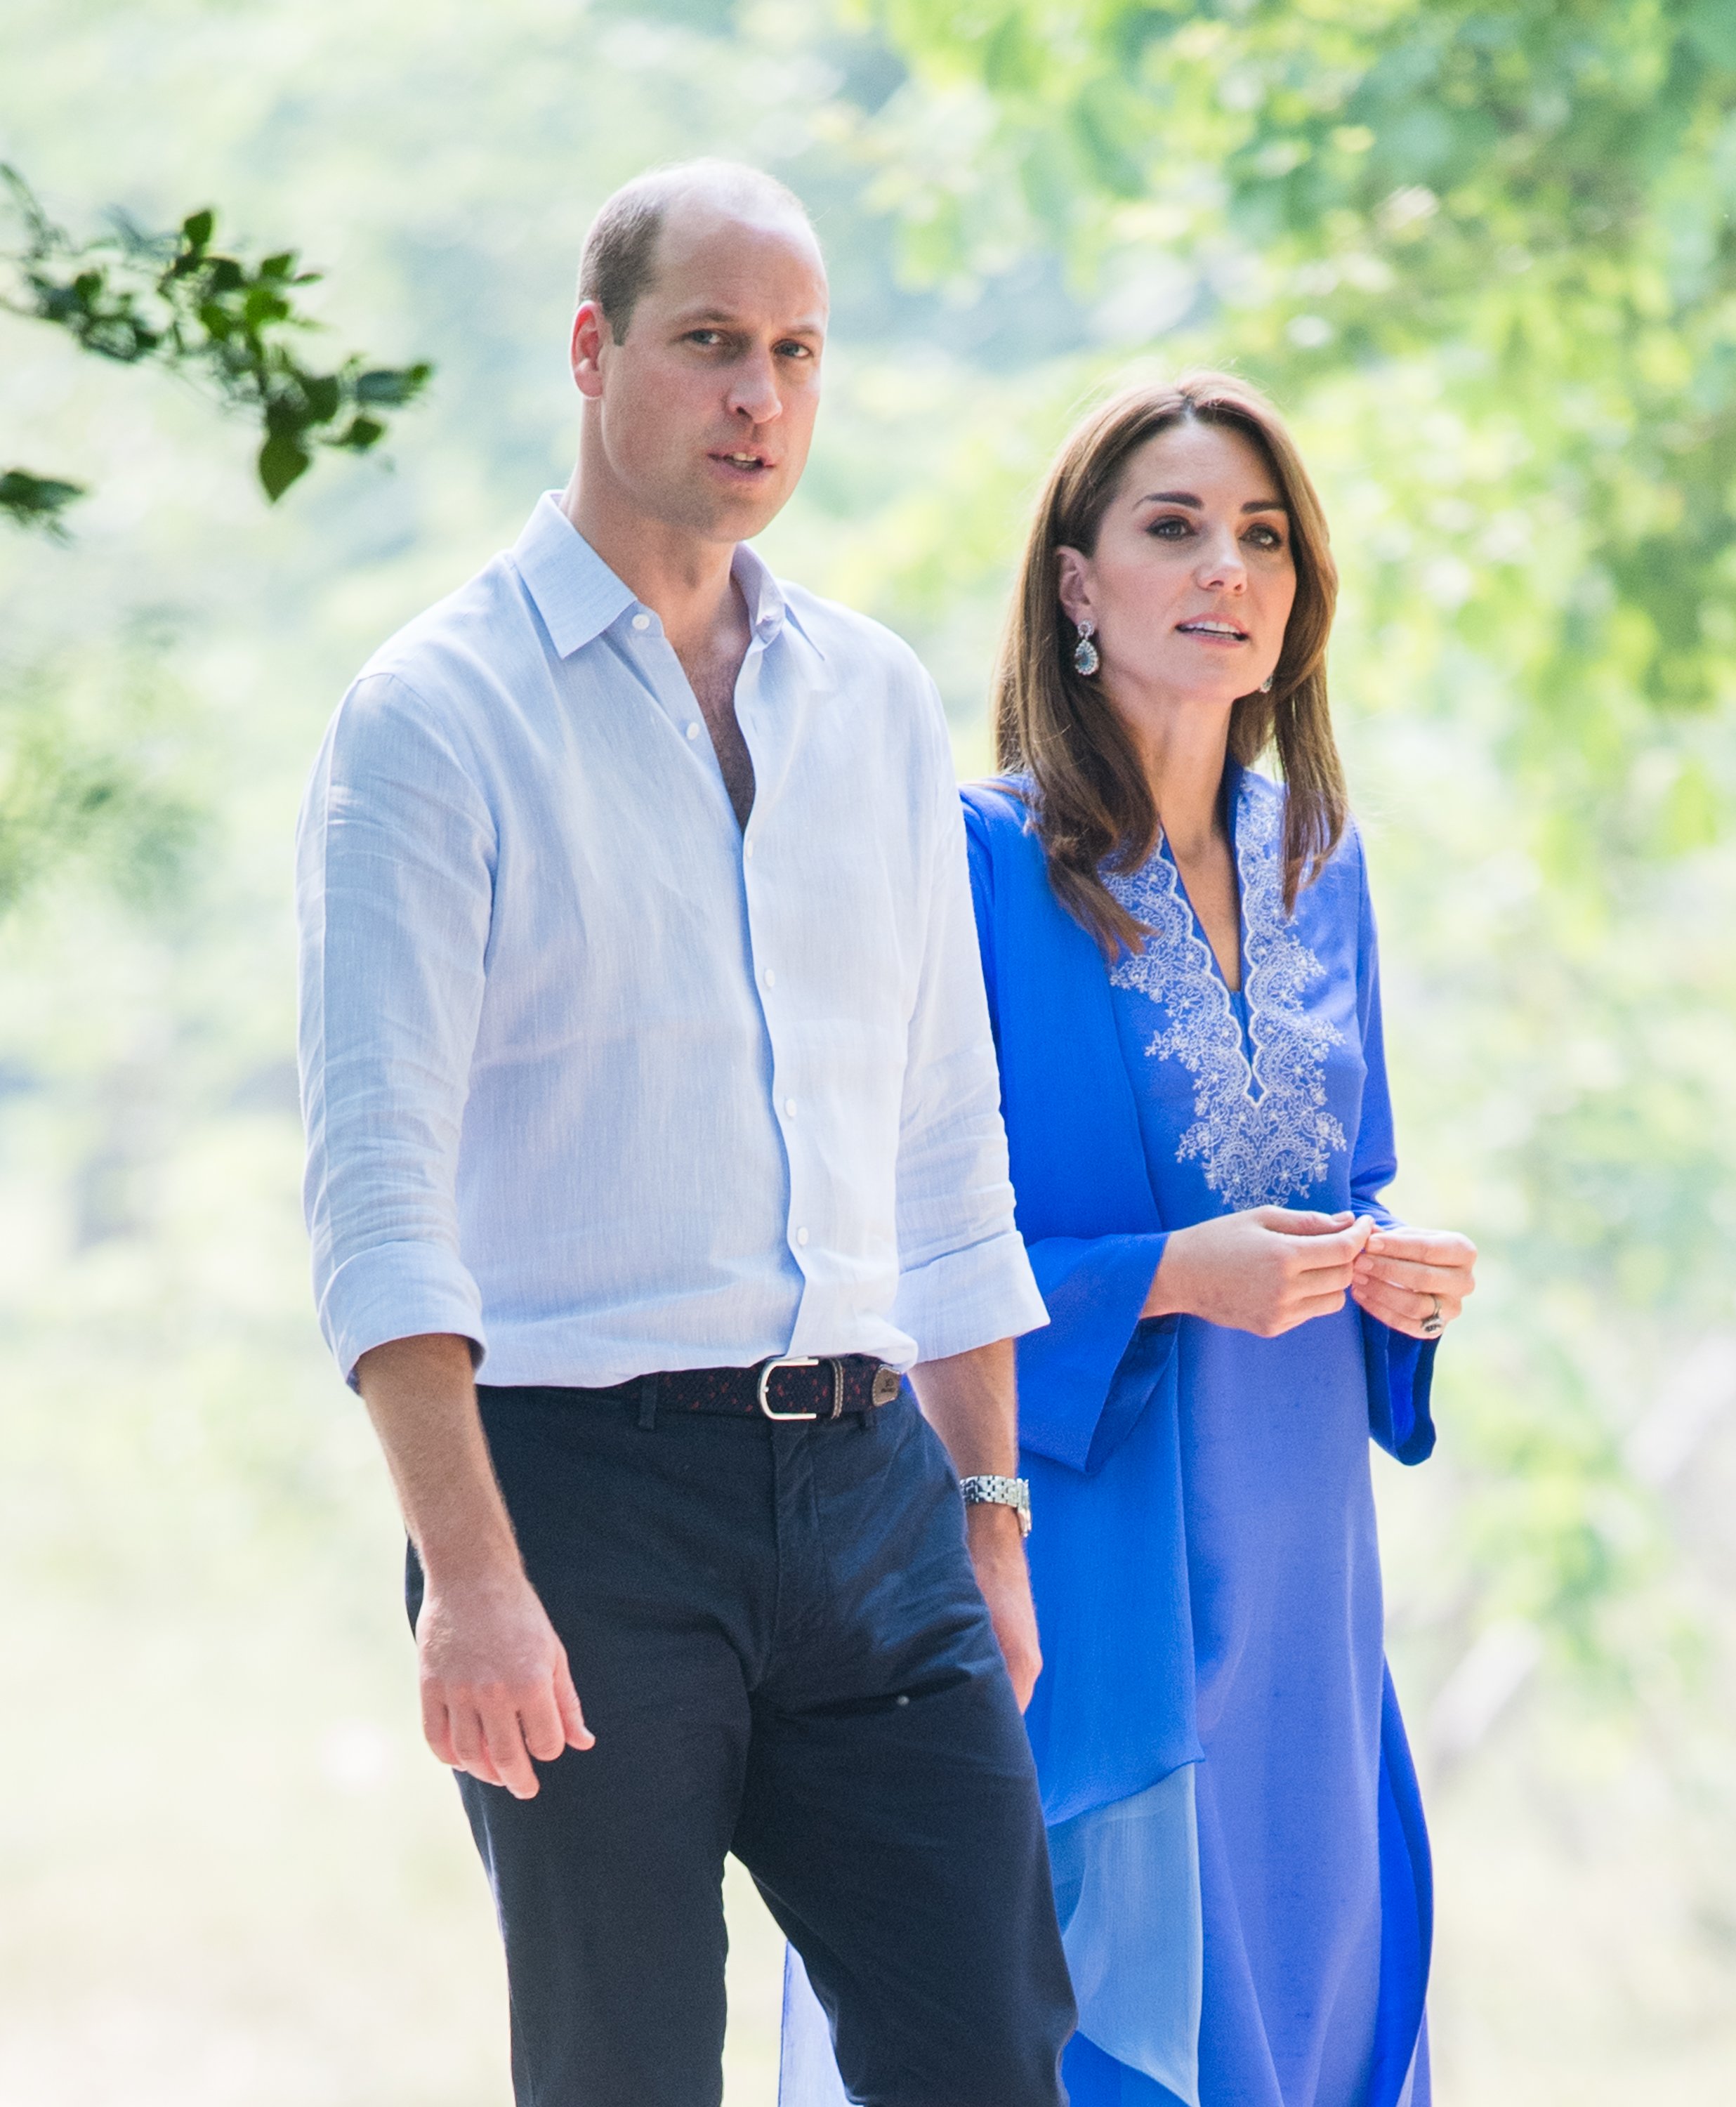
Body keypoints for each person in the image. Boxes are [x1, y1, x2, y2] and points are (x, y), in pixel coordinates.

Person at [294, 158, 1074, 2107]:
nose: (758, 401)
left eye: (796, 355)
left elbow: (941, 1143)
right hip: (578, 1513)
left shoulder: (876, 705)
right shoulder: (434, 717)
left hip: (876, 1492)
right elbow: (380, 1194)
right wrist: (469, 1578)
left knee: (993, 2050)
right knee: (625, 2072)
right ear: (592, 350)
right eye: (711, 344)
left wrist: (987, 1517)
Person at [962, 372, 1478, 2107]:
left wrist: (1403, 1271)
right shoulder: (971, 868)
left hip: (1304, 1554)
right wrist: (1177, 1274)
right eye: (1172, 529)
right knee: (1130, 2025)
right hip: (1096, 1545)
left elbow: (1356, 1172)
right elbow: (903, 1260)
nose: (1225, 570)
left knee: (1326, 1996)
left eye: (1261, 536)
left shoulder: (1318, 860)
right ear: (1076, 582)